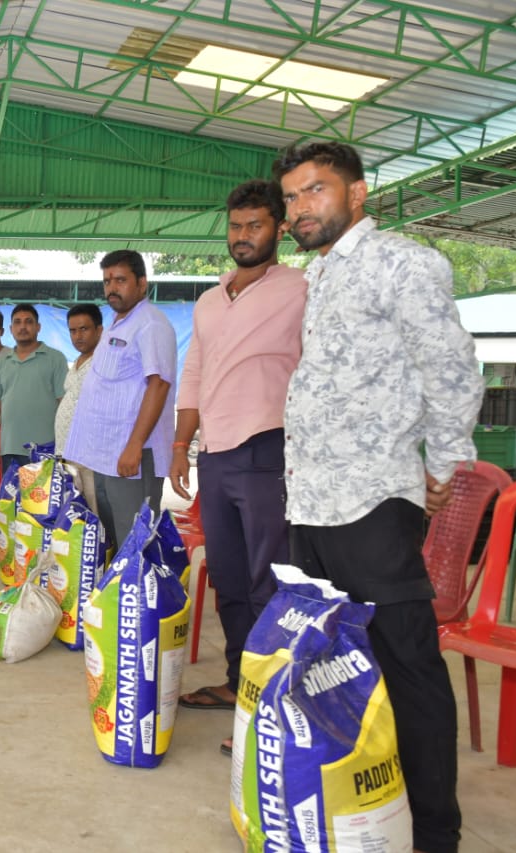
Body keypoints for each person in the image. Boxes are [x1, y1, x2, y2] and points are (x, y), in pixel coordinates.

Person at [274, 140, 482, 853]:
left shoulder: (404, 262)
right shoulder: (321, 276)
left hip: (372, 503)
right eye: (293, 198)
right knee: (334, 665)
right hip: (314, 504)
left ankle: (435, 832)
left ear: (357, 193)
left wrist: (450, 455)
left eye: (315, 190)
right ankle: (361, 812)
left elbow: (450, 364)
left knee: (408, 667)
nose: (301, 207)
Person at [167, 180, 307, 721]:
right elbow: (195, 372)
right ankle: (239, 680)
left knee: (268, 575)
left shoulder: (299, 289)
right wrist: (182, 444)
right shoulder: (209, 298)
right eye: (236, 226)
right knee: (227, 576)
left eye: (256, 225)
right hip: (217, 453)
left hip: (269, 445)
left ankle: (277, 691)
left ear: (280, 228)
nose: (244, 236)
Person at [63, 250, 177, 552]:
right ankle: (120, 593)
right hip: (107, 452)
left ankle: (137, 597)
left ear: (142, 282)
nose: (112, 287)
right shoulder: (118, 323)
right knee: (117, 532)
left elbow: (159, 384)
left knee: (135, 537)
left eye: (121, 280)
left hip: (134, 454)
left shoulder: (151, 324)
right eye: (107, 281)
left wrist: (134, 446)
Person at [0, 303, 68, 472]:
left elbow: (64, 404)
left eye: (28, 322)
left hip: (45, 449)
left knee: (42, 499)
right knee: (12, 499)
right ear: (10, 328)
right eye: (17, 322)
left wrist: (63, 446)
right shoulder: (1, 362)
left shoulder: (55, 359)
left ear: (38, 327)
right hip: (9, 449)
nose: (22, 327)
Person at [54, 303, 103, 511]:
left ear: (99, 330)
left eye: (84, 329)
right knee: (76, 517)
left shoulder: (104, 361)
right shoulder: (77, 361)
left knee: (96, 515)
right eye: (73, 331)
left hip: (91, 457)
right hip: (69, 454)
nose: (78, 336)